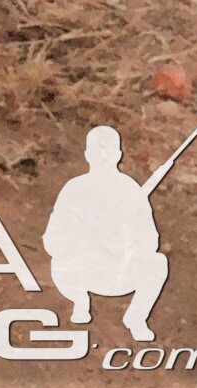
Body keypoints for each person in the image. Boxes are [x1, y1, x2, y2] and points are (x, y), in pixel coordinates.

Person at [44, 125, 171, 342]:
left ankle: (136, 317)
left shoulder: (130, 190)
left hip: (119, 274)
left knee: (157, 263)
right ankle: (80, 301)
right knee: (59, 262)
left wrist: (122, 247)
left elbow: (149, 240)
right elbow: (52, 239)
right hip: (80, 272)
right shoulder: (74, 189)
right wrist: (84, 239)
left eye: (107, 151)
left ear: (118, 155)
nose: (102, 156)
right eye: (98, 151)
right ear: (88, 155)